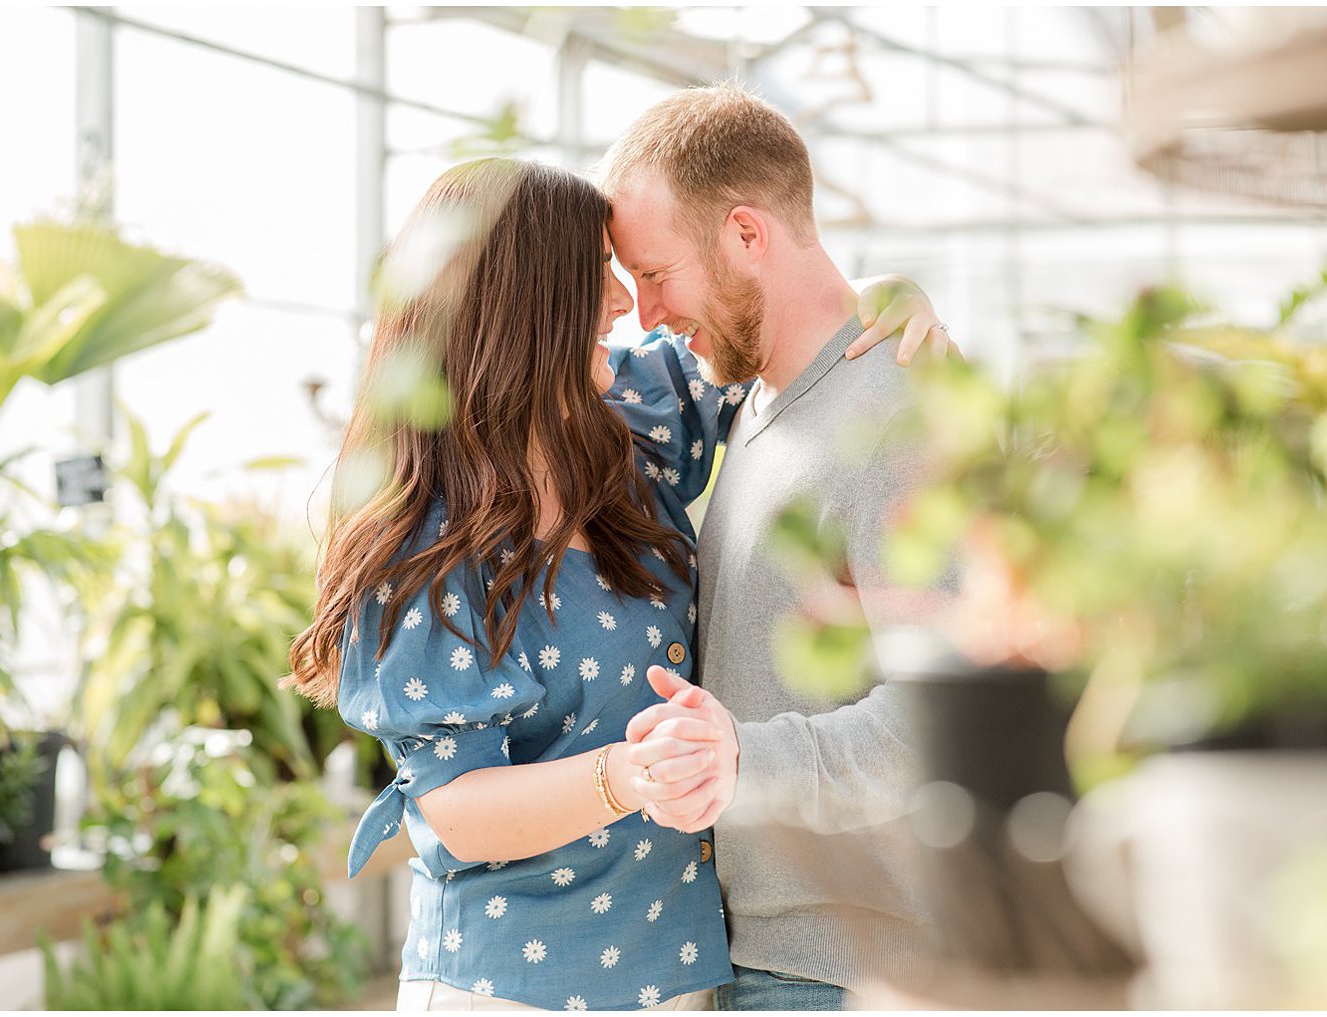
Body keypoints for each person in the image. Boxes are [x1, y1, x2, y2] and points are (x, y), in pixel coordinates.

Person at [281, 158, 947, 1011]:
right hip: (514, 987)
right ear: (527, 303)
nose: (626, 302)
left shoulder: (632, 418)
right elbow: (458, 807)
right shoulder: (426, 534)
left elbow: (763, 317)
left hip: (684, 972)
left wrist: (884, 295)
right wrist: (634, 774)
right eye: (597, 274)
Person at [599, 85, 961, 1010]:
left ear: (747, 236)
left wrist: (740, 759)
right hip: (755, 957)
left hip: (840, 969)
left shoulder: (897, 414)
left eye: (656, 273)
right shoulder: (752, 404)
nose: (642, 313)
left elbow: (948, 720)